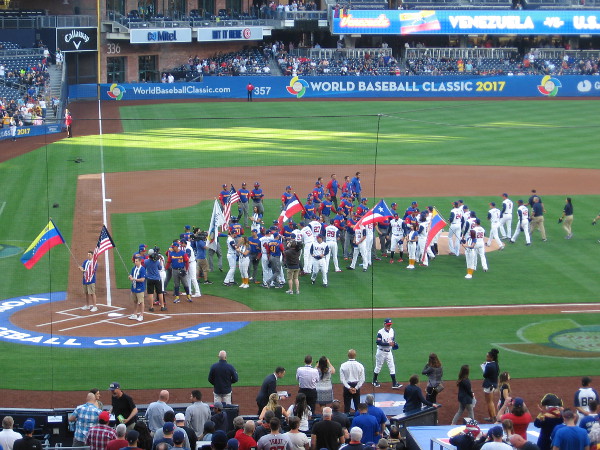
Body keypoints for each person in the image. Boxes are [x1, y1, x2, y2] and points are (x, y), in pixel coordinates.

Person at [373, 319, 401, 389]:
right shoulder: (380, 332)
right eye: (388, 325)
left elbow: (392, 339)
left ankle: (394, 383)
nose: (389, 326)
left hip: (389, 352)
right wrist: (388, 344)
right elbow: (378, 342)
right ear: (384, 324)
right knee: (378, 366)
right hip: (381, 352)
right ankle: (374, 380)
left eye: (390, 324)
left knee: (392, 366)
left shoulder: (392, 331)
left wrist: (393, 343)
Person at [339, 349, 365, 414]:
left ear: (348, 355)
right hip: (356, 386)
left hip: (347, 387)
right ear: (355, 355)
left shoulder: (343, 365)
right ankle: (358, 420)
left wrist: (349, 387)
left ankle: (347, 421)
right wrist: (356, 388)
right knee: (357, 406)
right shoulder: (360, 365)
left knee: (347, 406)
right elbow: (362, 379)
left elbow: (342, 379)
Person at [482, 348, 500, 422]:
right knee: (490, 401)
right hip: (493, 384)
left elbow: (485, 375)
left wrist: (484, 367)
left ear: (491, 357)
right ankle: (491, 417)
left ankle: (493, 417)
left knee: (489, 402)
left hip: (489, 385)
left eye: (487, 357)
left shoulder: (489, 366)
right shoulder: (495, 363)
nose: (486, 358)